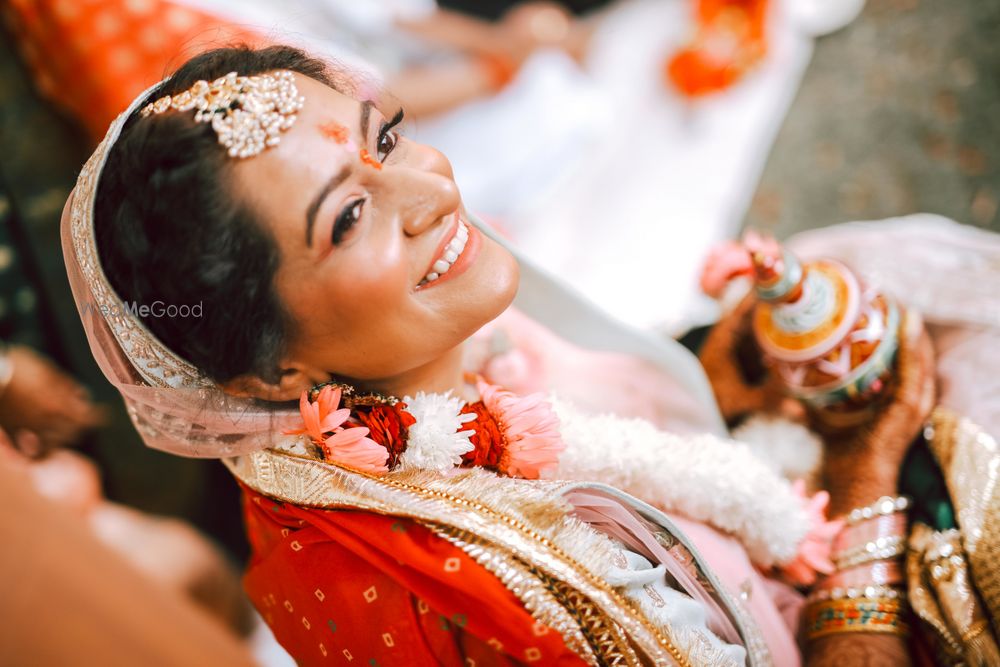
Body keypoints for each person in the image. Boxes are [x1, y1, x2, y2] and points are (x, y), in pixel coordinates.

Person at [63, 44, 997, 665]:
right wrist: (867, 468)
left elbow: (600, 435)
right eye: (349, 216)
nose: (428, 188)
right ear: (271, 375)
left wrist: (720, 374)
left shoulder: (413, 367)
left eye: (386, 139)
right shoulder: (483, 596)